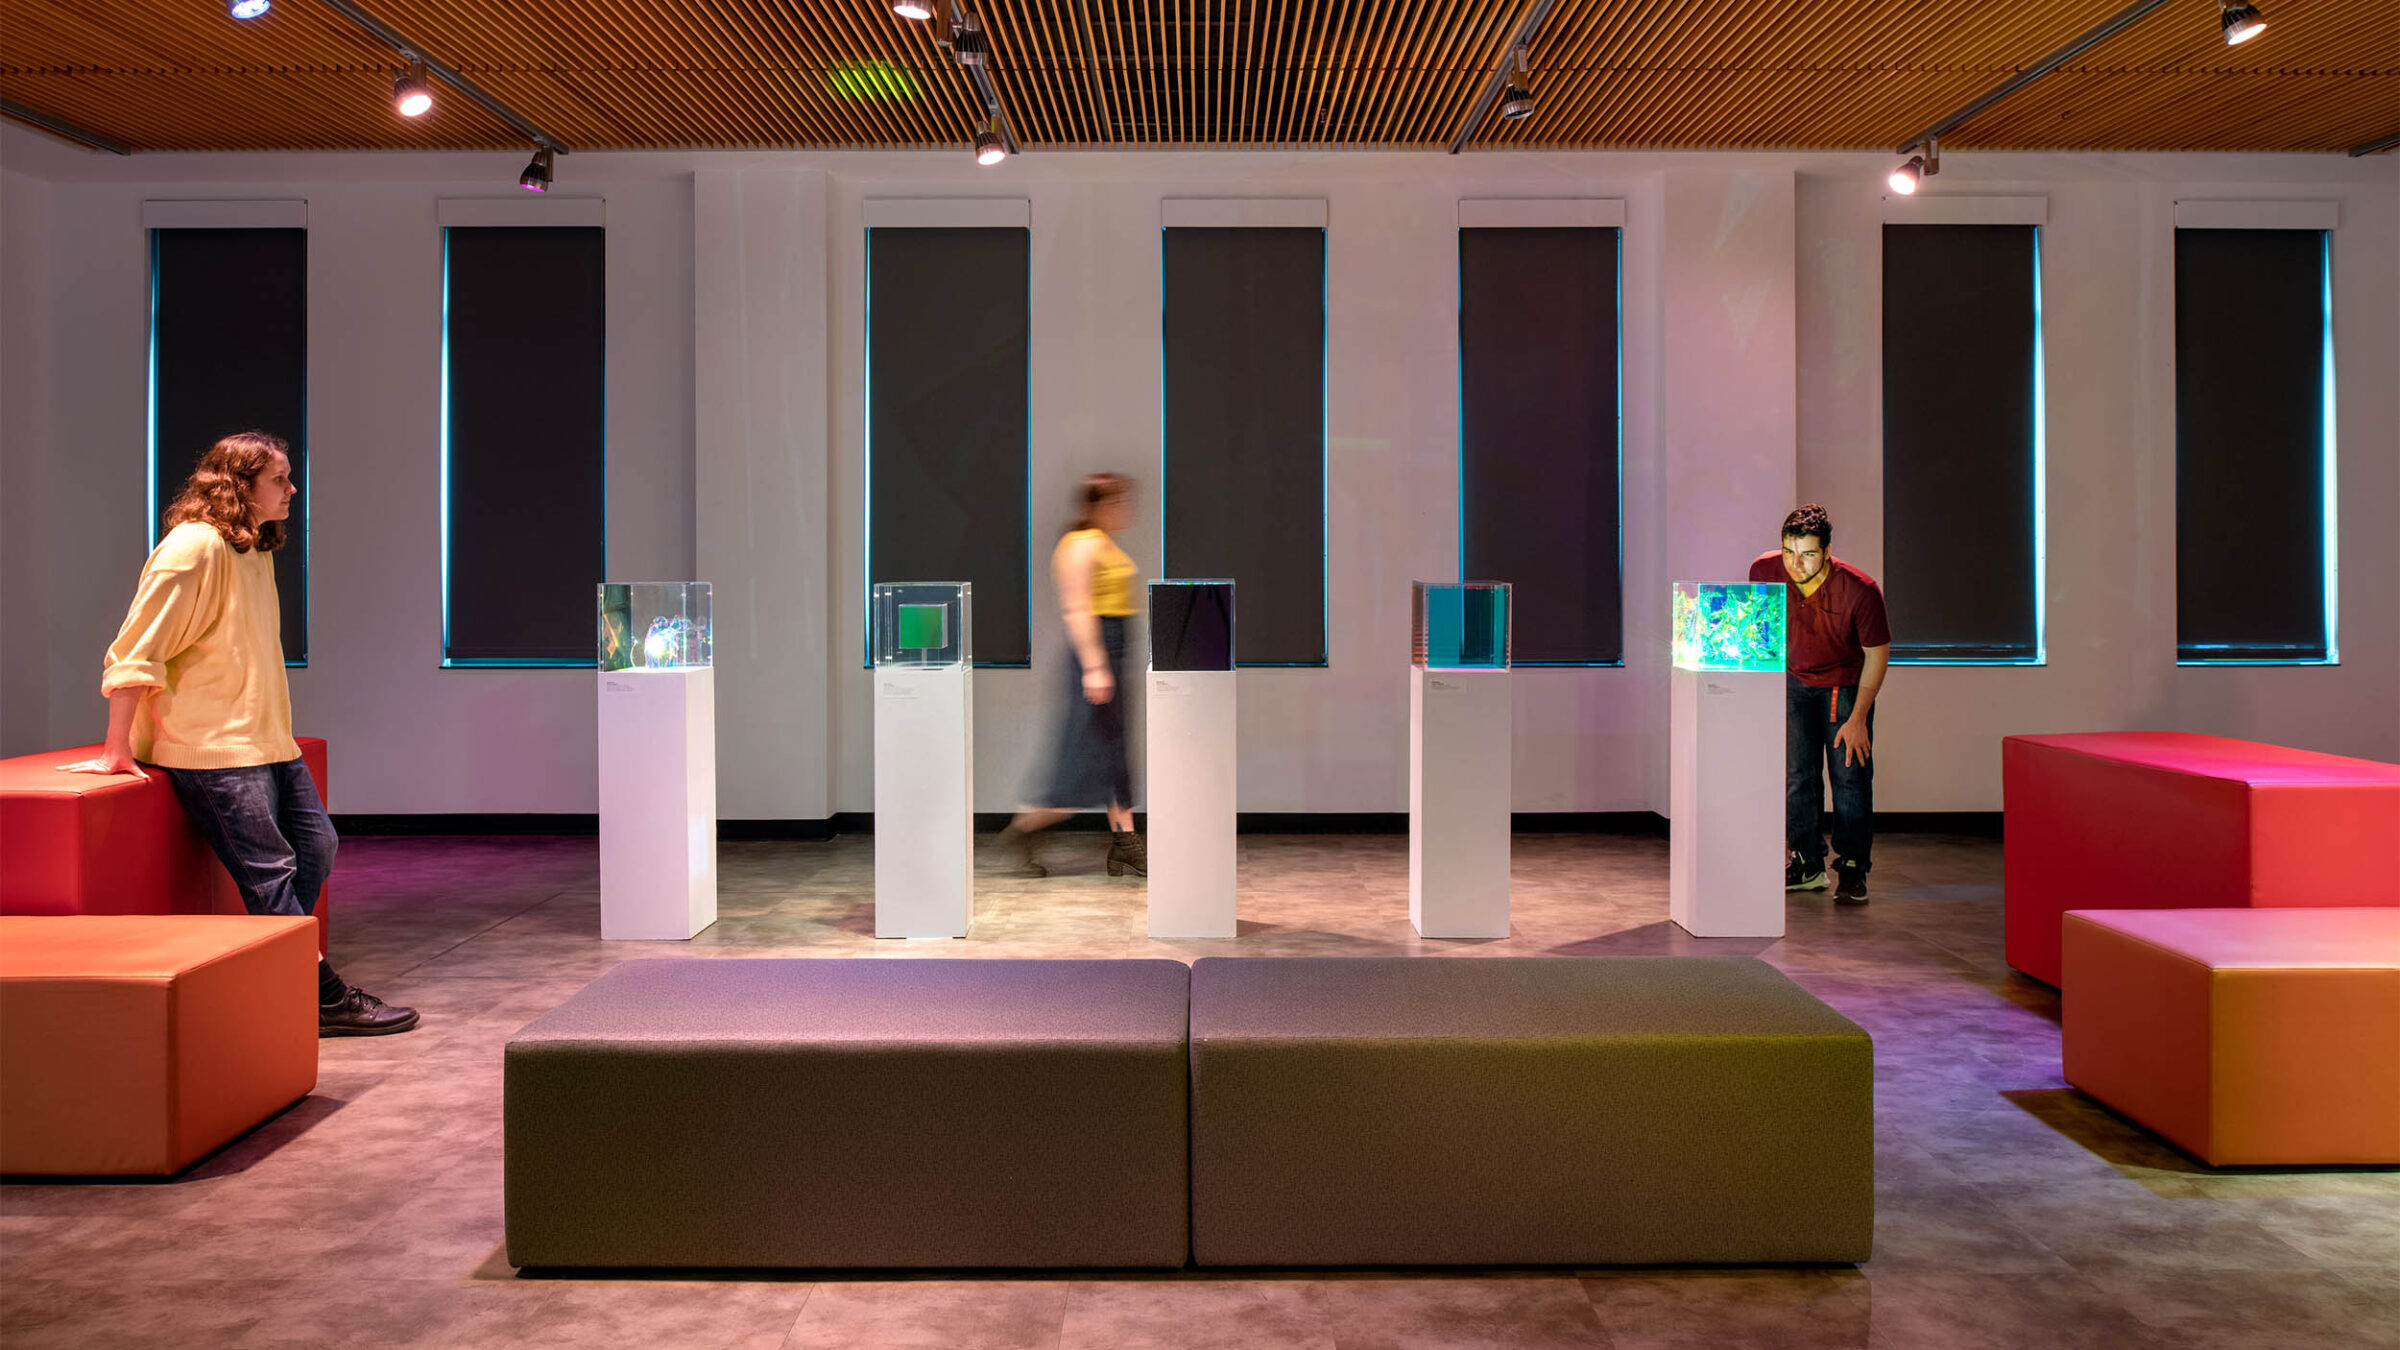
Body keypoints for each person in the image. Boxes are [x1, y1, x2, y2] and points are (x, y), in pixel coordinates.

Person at [65, 432, 418, 1035]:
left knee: (318, 847)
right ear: (239, 485)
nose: (293, 489)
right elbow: (136, 649)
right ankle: (320, 997)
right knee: (270, 873)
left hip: (265, 739)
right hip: (212, 748)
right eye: (280, 479)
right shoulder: (193, 547)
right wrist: (116, 747)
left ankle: (279, 975)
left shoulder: (252, 548)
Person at [999, 473, 1147, 879]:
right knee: (1083, 757)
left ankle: (1126, 844)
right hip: (1097, 656)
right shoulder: (1078, 545)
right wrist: (1095, 666)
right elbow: (1078, 609)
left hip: (1114, 654)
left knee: (1115, 752)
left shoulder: (1103, 542)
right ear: (1097, 505)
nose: (1124, 508)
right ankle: (1023, 830)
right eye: (1117, 501)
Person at [1751, 504, 1890, 906]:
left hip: (1843, 687)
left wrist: (1858, 717)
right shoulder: (1764, 570)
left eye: (1808, 554)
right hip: (1795, 681)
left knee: (1849, 776)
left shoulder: (1860, 589)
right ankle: (1806, 862)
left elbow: (1877, 655)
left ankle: (1852, 866)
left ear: (1827, 552)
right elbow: (1759, 629)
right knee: (1798, 775)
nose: (1796, 564)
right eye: (1789, 552)